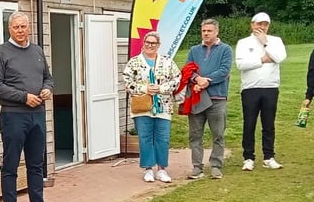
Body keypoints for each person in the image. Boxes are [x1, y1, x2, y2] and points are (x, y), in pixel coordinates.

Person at [0, 11, 57, 202]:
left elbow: (48, 77)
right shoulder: (1, 52)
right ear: (10, 29)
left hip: (37, 114)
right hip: (13, 115)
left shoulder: (37, 51)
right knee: (11, 166)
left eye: (23, 27)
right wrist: (23, 97)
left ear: (29, 28)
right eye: (16, 27)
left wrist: (47, 89)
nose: (20, 31)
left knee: (36, 165)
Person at [122, 31, 181, 183]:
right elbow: (127, 82)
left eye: (153, 43)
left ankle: (162, 169)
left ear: (158, 45)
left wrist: (161, 88)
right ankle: (148, 168)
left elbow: (177, 78)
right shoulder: (134, 62)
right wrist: (144, 89)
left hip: (163, 106)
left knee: (163, 138)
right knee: (145, 137)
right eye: (147, 42)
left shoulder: (167, 62)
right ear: (143, 43)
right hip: (142, 107)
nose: (150, 45)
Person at [235, 12, 287, 171]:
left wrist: (265, 43)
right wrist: (261, 60)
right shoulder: (243, 42)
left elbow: (280, 57)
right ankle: (248, 157)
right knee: (249, 123)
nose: (262, 27)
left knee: (269, 124)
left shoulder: (275, 41)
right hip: (250, 88)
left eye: (265, 24)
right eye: (259, 24)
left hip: (270, 87)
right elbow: (241, 64)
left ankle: (269, 156)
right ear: (252, 24)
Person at [185, 19, 233, 179]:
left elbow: (224, 70)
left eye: (209, 31)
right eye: (204, 30)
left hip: (217, 99)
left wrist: (206, 81)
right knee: (195, 135)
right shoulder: (194, 50)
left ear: (216, 32)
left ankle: (216, 166)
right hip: (197, 98)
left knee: (218, 134)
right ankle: (197, 167)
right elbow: (188, 69)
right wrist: (197, 79)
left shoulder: (225, 49)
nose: (206, 33)